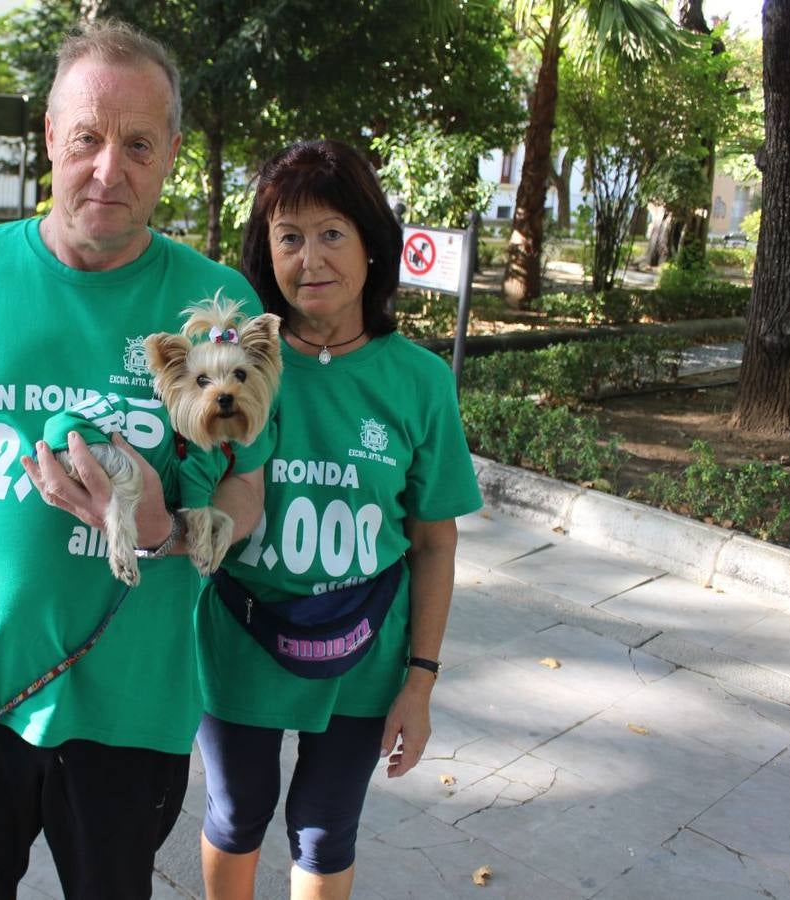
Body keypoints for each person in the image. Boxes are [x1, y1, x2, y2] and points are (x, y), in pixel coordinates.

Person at [0, 20, 267, 900]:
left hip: (131, 704)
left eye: (138, 144)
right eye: (86, 138)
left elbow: (248, 484)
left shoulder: (212, 303)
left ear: (173, 155)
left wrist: (168, 529)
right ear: (50, 137)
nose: (109, 170)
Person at [194, 139, 483, 899]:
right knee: (237, 809)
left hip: (364, 650)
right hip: (239, 637)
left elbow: (433, 540)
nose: (310, 258)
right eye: (289, 236)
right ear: (267, 252)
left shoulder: (419, 380)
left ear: (372, 246)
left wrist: (419, 681)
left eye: (332, 233)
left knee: (325, 829)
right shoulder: (233, 369)